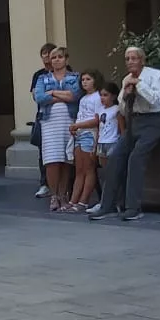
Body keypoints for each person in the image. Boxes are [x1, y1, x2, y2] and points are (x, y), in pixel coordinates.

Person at [91, 47, 160, 222]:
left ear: (142, 60)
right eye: (127, 59)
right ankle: (108, 206)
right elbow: (121, 107)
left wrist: (138, 85)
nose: (130, 62)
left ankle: (133, 207)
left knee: (136, 157)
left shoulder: (156, 75)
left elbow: (155, 99)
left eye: (134, 58)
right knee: (115, 156)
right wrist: (126, 95)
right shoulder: (126, 78)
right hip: (135, 121)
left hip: (156, 120)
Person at [33, 47, 78, 209]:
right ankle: (54, 196)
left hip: (69, 120)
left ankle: (63, 194)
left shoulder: (75, 77)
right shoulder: (42, 79)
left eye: (60, 57)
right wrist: (62, 95)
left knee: (66, 159)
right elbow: (39, 97)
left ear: (66, 59)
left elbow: (75, 95)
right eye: (54, 57)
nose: (57, 60)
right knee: (52, 158)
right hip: (49, 122)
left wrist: (52, 92)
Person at [64, 71, 114, 213]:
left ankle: (83, 201)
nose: (84, 82)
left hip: (90, 134)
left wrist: (79, 126)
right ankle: (73, 200)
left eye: (88, 79)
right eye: (83, 80)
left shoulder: (98, 97)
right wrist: (76, 128)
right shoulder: (83, 98)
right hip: (80, 134)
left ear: (95, 80)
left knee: (89, 169)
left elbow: (97, 119)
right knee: (79, 170)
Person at [29, 44, 58, 197]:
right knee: (44, 150)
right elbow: (37, 96)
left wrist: (50, 94)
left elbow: (71, 93)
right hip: (44, 116)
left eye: (49, 54)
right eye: (44, 54)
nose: (46, 57)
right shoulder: (38, 75)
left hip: (63, 116)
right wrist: (56, 95)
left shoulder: (66, 72)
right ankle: (44, 183)